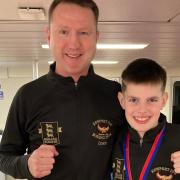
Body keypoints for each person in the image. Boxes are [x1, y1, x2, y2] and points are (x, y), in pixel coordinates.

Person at [0, 0, 124, 179]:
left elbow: (143, 139)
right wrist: (26, 164)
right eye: (63, 32)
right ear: (49, 36)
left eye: (83, 32)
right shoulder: (27, 95)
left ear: (96, 37)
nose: (74, 43)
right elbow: (4, 156)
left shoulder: (115, 94)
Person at [112, 58, 180, 179]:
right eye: (133, 100)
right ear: (122, 101)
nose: (142, 109)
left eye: (152, 100)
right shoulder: (111, 139)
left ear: (163, 100)